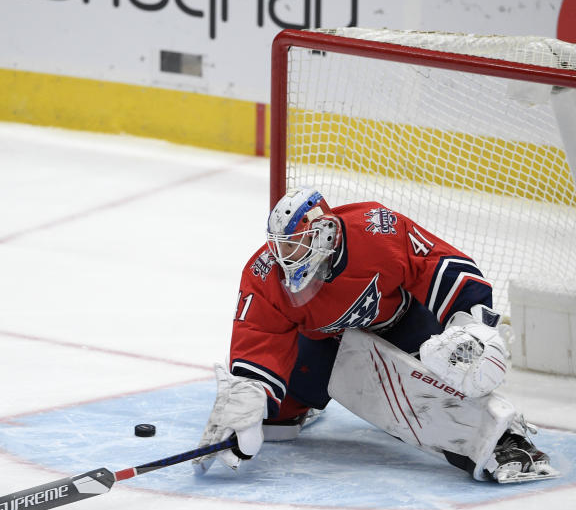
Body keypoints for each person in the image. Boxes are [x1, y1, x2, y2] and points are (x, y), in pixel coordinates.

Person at [193, 187, 558, 483]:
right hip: (325, 344)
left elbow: (439, 265)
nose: (284, 255)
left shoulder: (376, 229)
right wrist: (246, 405)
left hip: (402, 326)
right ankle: (293, 406)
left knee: (439, 385)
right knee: (271, 421)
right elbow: (259, 333)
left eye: (296, 243)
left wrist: (471, 324)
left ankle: (503, 441)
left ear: (325, 233)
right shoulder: (266, 274)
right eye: (280, 244)